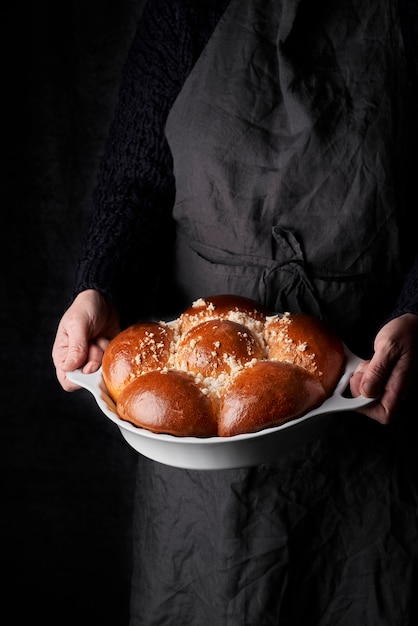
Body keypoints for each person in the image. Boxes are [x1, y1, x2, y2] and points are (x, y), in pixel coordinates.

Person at [52, 1, 418, 624]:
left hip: (370, 395)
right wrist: (100, 287)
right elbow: (137, 180)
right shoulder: (185, 8)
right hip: (186, 427)